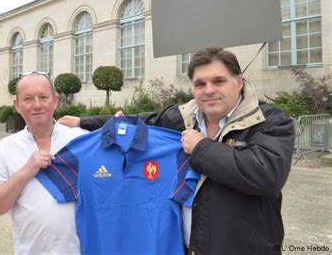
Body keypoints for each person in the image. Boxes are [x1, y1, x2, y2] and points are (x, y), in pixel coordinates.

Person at [59, 46, 294, 255]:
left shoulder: (269, 121)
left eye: (218, 81)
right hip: (191, 246)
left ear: (238, 82)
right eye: (200, 84)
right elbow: (142, 121)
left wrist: (201, 147)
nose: (208, 90)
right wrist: (85, 122)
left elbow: (267, 174)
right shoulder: (182, 117)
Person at [0, 71, 87, 255]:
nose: (37, 105)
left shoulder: (81, 140)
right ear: (17, 105)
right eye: (28, 99)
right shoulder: (5, 148)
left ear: (55, 100)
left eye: (43, 97)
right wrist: (26, 171)